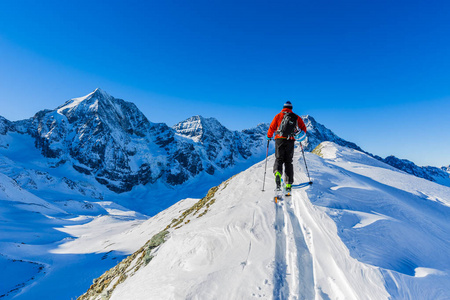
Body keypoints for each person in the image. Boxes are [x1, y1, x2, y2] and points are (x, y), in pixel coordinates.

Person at [267, 101, 307, 194]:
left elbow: (272, 127)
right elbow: (304, 129)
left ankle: (277, 173)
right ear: (291, 108)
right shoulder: (296, 117)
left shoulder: (278, 116)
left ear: (283, 107)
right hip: (290, 140)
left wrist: (269, 136)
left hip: (279, 140)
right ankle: (288, 184)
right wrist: (298, 136)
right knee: (288, 161)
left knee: (279, 159)